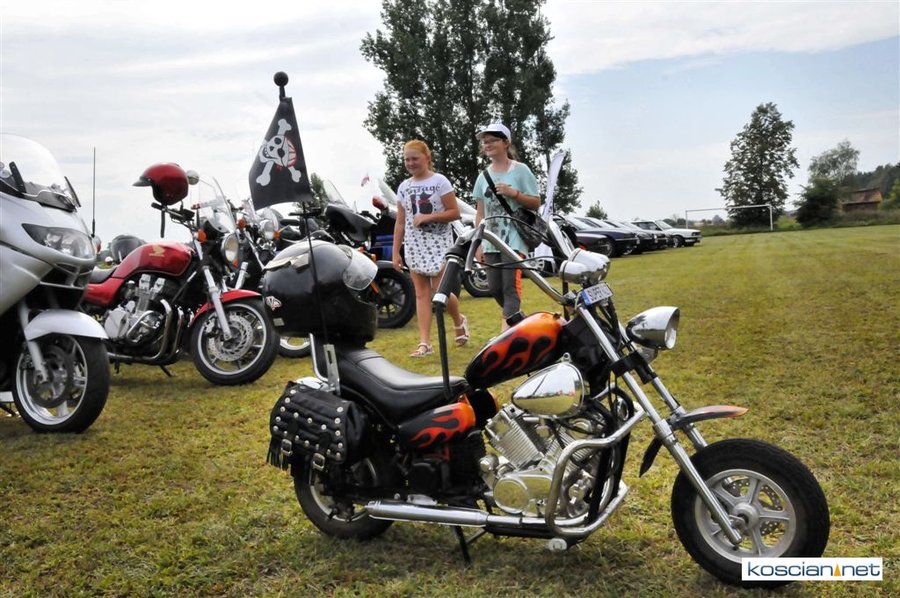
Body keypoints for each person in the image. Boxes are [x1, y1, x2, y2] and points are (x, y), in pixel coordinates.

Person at [392, 139, 469, 357]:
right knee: (421, 293)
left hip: (438, 243)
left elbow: (454, 212)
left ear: (427, 158)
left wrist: (430, 216)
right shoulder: (404, 187)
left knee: (440, 290)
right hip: (414, 244)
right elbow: (400, 222)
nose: (410, 163)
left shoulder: (440, 182)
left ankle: (459, 320)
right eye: (407, 159)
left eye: (415, 158)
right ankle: (425, 343)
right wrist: (395, 251)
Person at [472, 122, 541, 332]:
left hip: (514, 237)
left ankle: (505, 334)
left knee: (510, 286)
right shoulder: (483, 177)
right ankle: (519, 322)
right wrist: (478, 243)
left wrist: (514, 194)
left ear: (505, 142)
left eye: (492, 140)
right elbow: (480, 213)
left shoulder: (521, 171)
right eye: (485, 142)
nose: (487, 144)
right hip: (491, 239)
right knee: (494, 288)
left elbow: (536, 202)